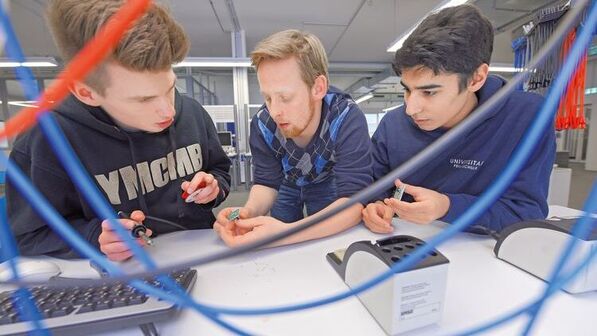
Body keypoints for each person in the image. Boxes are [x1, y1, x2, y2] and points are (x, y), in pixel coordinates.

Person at [7, 0, 231, 261]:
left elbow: (219, 170)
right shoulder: (46, 141)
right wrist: (95, 238)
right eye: (143, 99)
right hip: (118, 279)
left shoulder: (191, 113)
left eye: (170, 88)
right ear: (85, 92)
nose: (168, 111)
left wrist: (214, 189)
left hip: (207, 260)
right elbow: (29, 237)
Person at [362, 4, 555, 234]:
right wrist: (373, 206)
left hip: (485, 255)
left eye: (429, 92)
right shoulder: (392, 125)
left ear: (476, 78)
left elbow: (526, 211)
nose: (410, 109)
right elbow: (372, 189)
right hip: (400, 243)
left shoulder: (526, 118)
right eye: (407, 89)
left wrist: (448, 206)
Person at [214, 30, 372, 247]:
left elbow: (354, 203)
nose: (274, 112)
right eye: (268, 98)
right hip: (286, 184)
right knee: (281, 245)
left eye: (285, 97)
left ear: (318, 88)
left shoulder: (346, 117)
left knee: (327, 241)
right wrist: (246, 212)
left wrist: (284, 234)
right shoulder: (262, 124)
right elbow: (267, 182)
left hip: (326, 182)